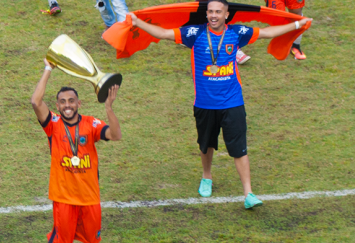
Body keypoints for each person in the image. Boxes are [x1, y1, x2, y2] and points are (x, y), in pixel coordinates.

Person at [129, 0, 312, 208]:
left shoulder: (238, 32)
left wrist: (298, 24)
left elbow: (268, 33)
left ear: (227, 15)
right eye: (210, 12)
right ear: (206, 14)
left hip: (233, 102)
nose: (213, 15)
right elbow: (163, 34)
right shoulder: (194, 33)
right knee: (206, 144)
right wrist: (137, 22)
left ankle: (249, 194)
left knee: (239, 148)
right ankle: (206, 176)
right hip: (205, 104)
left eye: (218, 12)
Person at [31, 60, 123, 243]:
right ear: (58, 105)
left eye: (71, 101)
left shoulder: (91, 124)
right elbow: (35, 102)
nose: (67, 105)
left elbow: (116, 135)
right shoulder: (52, 124)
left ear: (79, 103)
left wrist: (108, 108)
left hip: (90, 199)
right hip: (64, 200)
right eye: (62, 102)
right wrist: (47, 69)